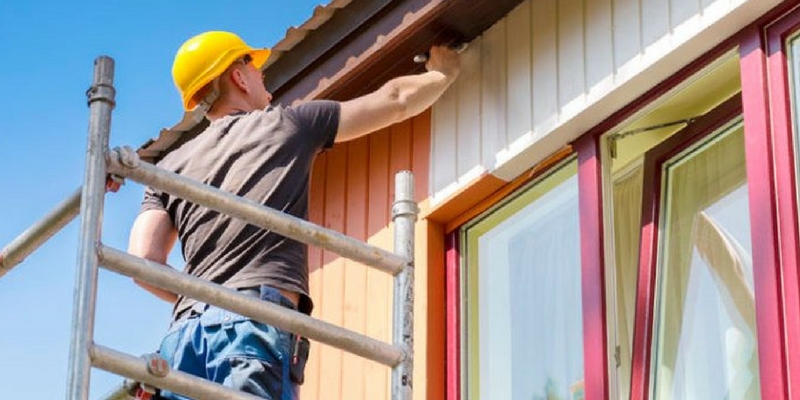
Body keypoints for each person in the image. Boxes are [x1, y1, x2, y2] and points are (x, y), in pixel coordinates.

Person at [127, 30, 460, 400]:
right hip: (251, 323)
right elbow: (396, 100)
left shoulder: (169, 167)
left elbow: (143, 261)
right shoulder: (286, 124)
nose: (263, 79)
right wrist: (442, 73)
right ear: (238, 76)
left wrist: (205, 299)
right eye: (255, 69)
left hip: (183, 339)